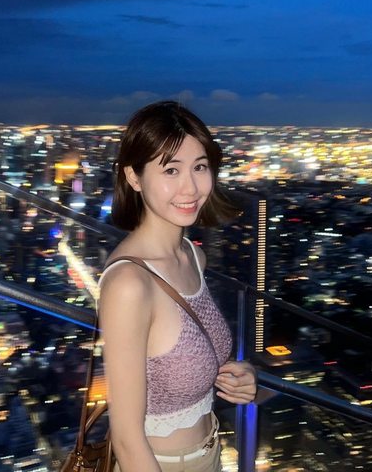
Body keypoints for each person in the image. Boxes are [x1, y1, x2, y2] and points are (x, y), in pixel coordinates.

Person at [98, 101, 257, 472]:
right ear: (134, 177)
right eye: (171, 169)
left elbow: (180, 359)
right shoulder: (129, 284)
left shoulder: (191, 256)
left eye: (199, 167)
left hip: (210, 451)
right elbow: (126, 438)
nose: (191, 187)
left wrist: (241, 374)